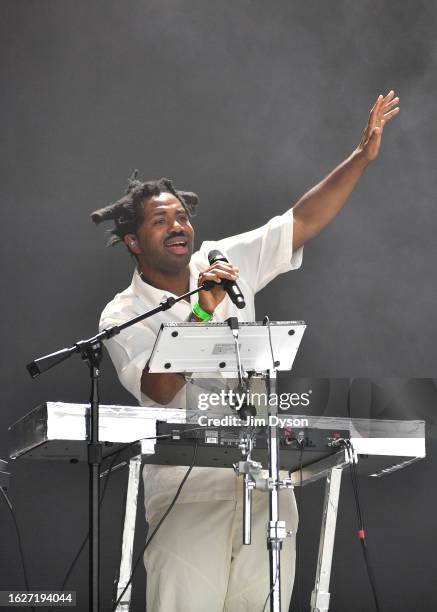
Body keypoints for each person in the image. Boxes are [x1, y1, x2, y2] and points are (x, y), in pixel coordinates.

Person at [93, 91, 399, 612]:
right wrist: (205, 312)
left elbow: (300, 221)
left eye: (183, 217)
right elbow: (160, 390)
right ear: (133, 242)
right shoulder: (121, 314)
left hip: (266, 485)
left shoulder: (224, 258)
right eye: (161, 221)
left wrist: (360, 157)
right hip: (187, 499)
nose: (179, 226)